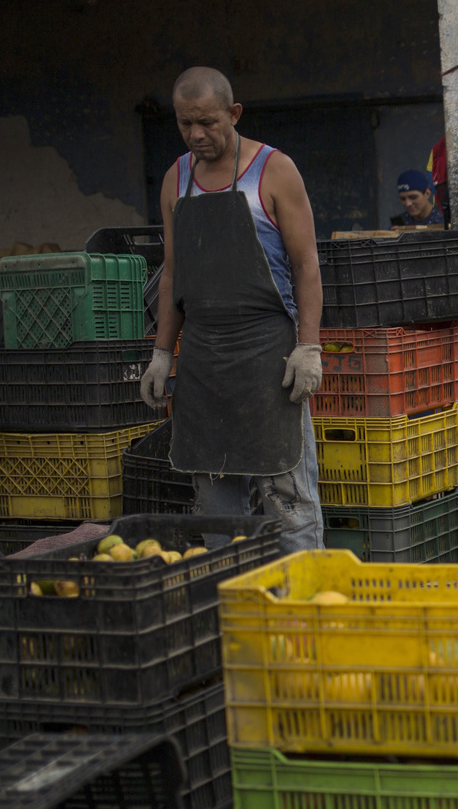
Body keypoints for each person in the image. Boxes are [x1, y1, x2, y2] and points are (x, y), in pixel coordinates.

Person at [139, 66, 324, 553]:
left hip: (268, 357)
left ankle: (305, 605)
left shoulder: (274, 169)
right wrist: (162, 353)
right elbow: (174, 274)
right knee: (216, 505)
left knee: (289, 498)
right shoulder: (176, 179)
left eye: (207, 122)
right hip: (202, 360)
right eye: (184, 124)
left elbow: (306, 264)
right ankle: (234, 608)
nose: (196, 134)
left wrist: (308, 346)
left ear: (233, 113)